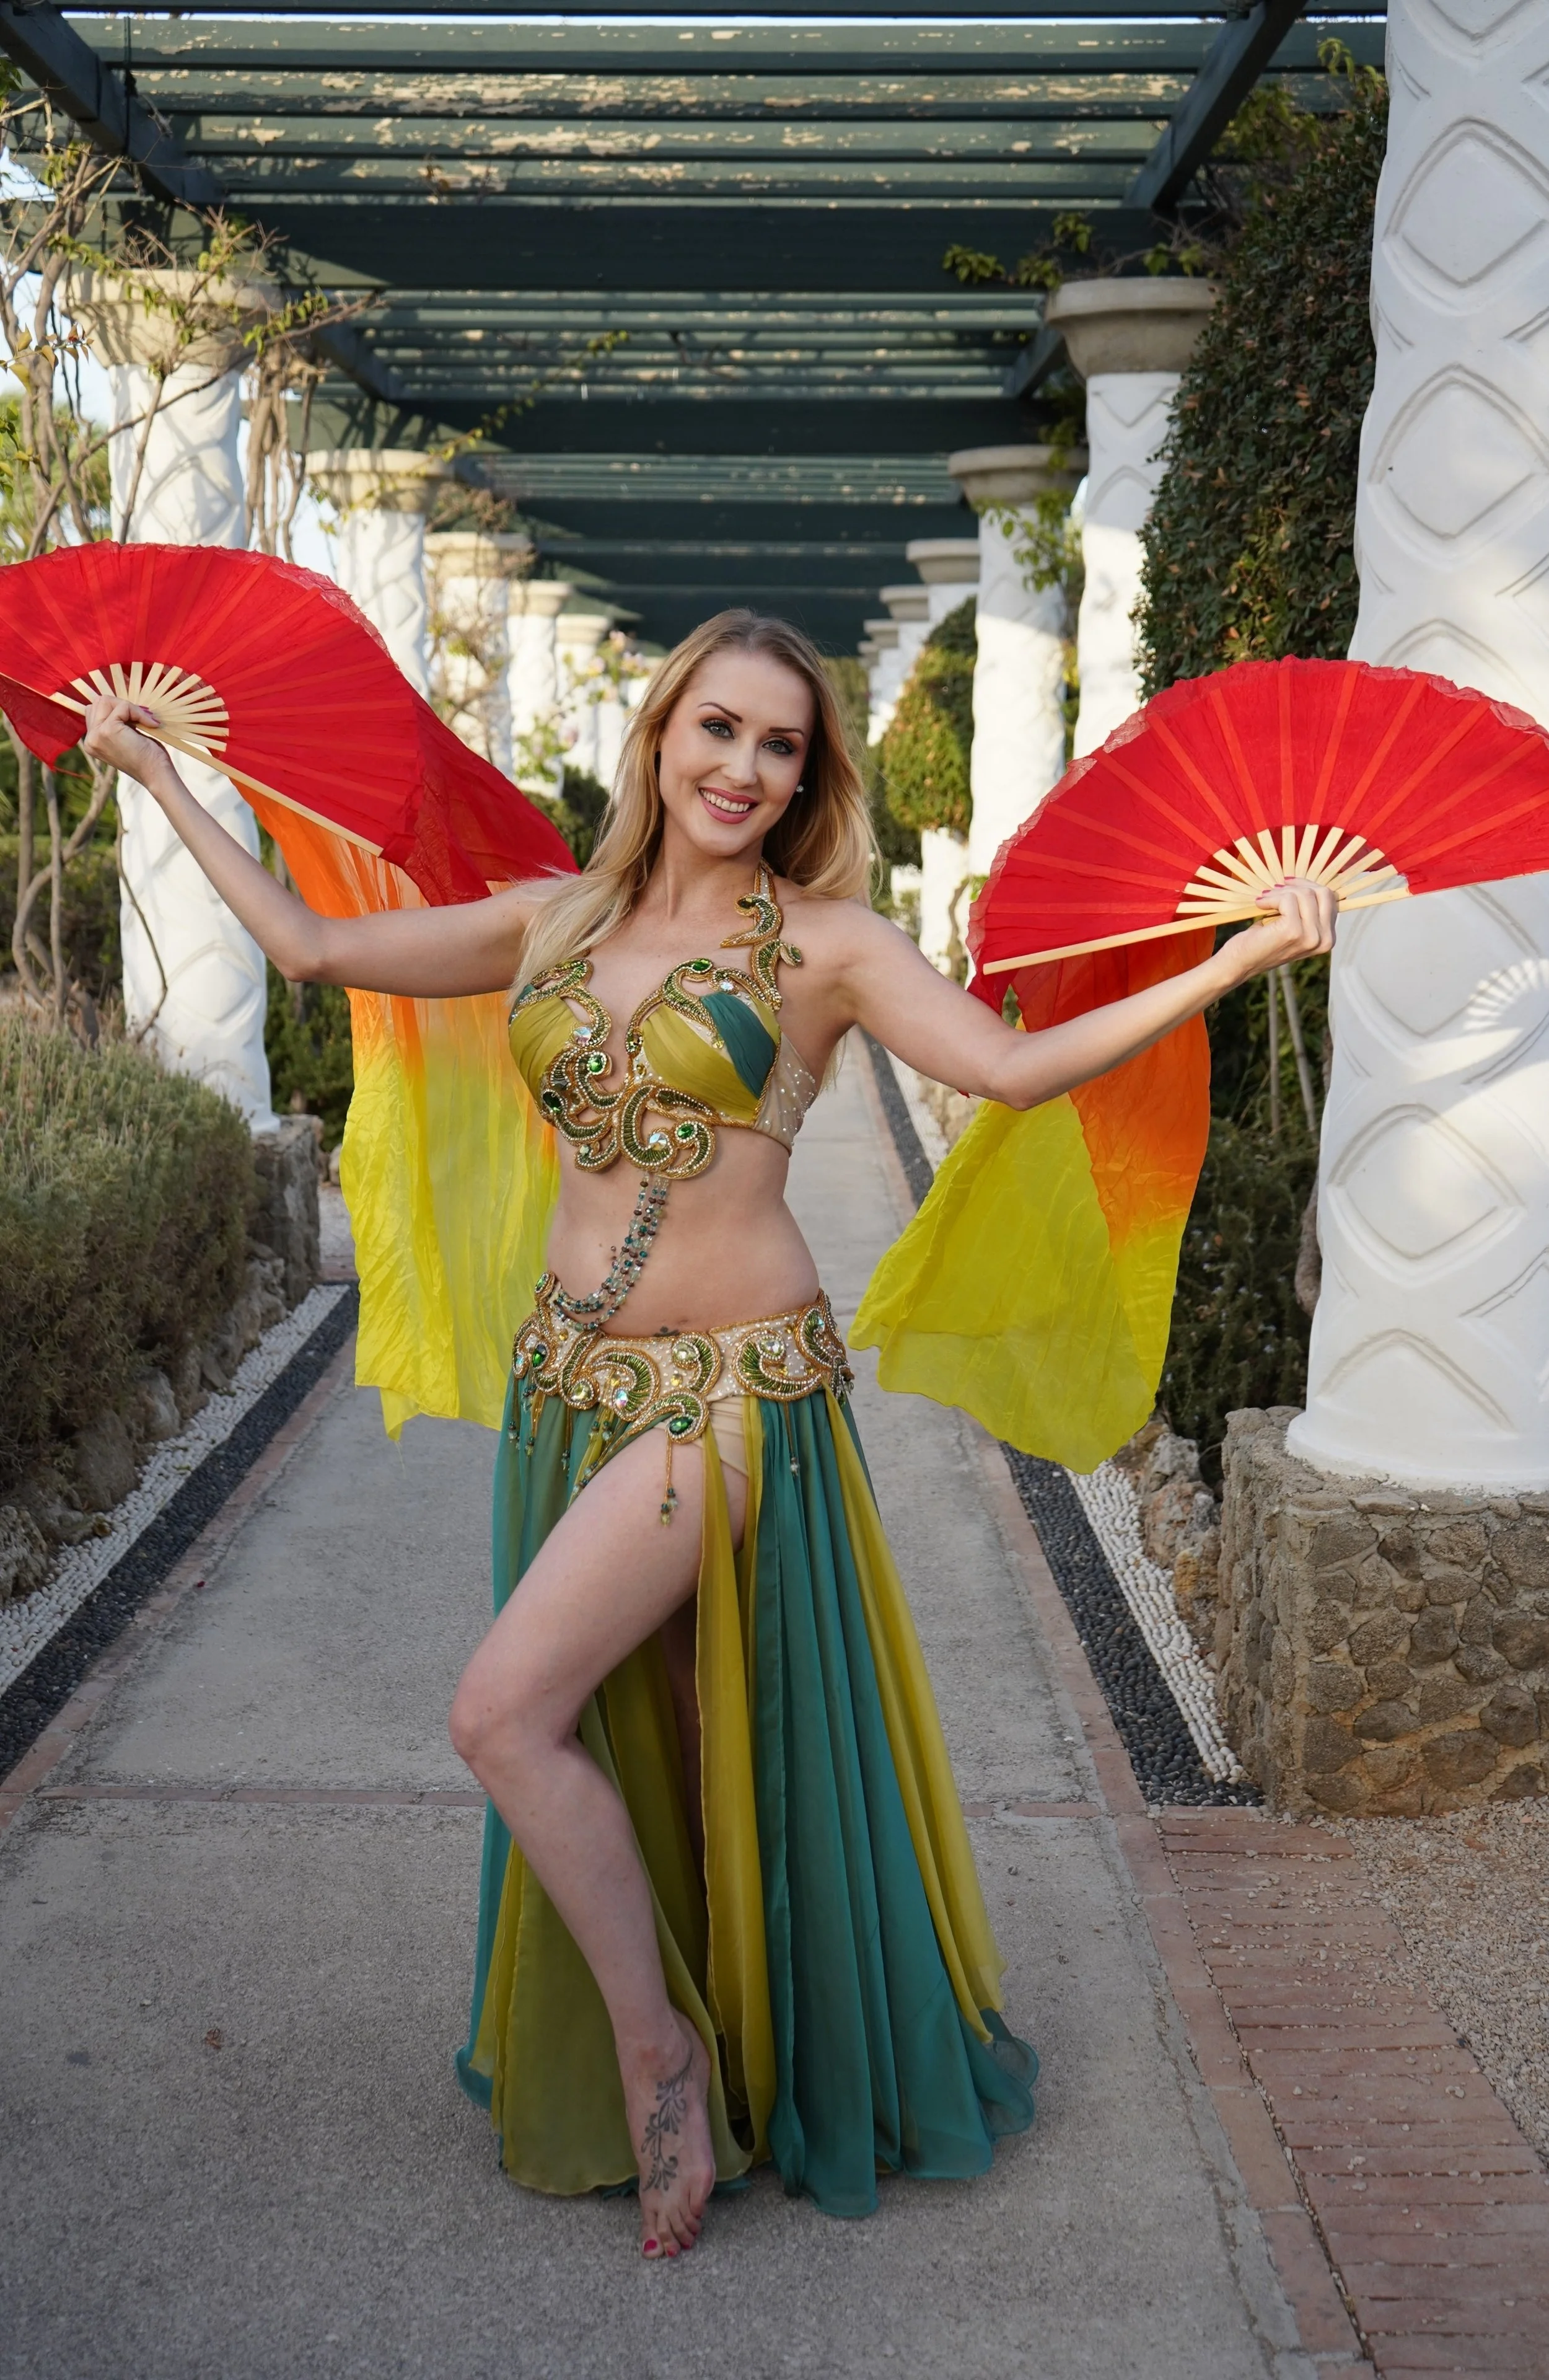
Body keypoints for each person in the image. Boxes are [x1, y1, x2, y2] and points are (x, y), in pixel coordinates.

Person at [84, 608, 1335, 2261]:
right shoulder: (546, 920)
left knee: (502, 1715)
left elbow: (1019, 1069)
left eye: (781, 745)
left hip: (732, 1399)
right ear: (660, 735)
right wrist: (159, 772)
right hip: (567, 1393)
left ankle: (654, 2050)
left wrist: (1232, 960)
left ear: (807, 777)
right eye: (719, 730)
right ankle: (728, 2037)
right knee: (654, 1736)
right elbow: (313, 951)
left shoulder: (828, 947)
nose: (744, 767)